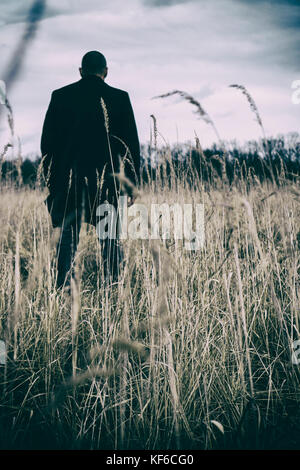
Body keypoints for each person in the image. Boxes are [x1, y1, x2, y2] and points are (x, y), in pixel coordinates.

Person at [41, 50, 141, 288]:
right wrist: (132, 184)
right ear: (106, 72)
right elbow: (131, 146)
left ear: (80, 71)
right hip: (108, 184)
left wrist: (51, 182)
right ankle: (112, 290)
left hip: (68, 184)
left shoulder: (60, 96)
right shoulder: (120, 98)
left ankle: (63, 289)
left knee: (67, 242)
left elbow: (47, 146)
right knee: (109, 242)